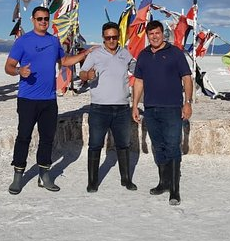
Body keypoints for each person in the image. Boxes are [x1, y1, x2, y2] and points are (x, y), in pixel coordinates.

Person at [4, 6, 93, 195]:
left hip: (49, 100)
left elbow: (65, 61)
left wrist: (84, 54)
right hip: (27, 99)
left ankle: (44, 174)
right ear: (33, 20)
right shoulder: (23, 41)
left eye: (46, 19)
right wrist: (20, 71)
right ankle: (18, 175)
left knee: (47, 138)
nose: (43, 22)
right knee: (23, 137)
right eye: (39, 19)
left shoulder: (54, 41)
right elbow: (9, 66)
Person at [131, 20, 193, 206]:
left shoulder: (175, 53)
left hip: (172, 109)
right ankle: (163, 182)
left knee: (173, 147)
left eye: (157, 33)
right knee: (158, 147)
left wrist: (187, 102)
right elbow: (139, 82)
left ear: (162, 34)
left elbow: (187, 78)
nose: (155, 36)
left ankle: (174, 190)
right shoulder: (143, 55)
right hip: (151, 109)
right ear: (148, 36)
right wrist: (134, 105)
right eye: (151, 34)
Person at [78, 22, 137, 193]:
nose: (111, 40)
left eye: (114, 37)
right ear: (103, 38)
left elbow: (137, 69)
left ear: (119, 37)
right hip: (99, 109)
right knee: (95, 145)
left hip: (122, 109)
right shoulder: (95, 55)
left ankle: (126, 179)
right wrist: (87, 75)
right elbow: (82, 72)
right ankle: (92, 181)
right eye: (108, 37)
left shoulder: (125, 54)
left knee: (123, 144)